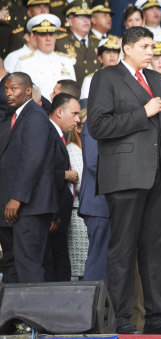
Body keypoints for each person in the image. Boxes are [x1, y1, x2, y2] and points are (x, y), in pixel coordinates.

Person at [87, 26, 161, 335]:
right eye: (146, 46)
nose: (152, 52)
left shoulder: (158, 80)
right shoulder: (105, 78)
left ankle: (158, 318)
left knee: (156, 249)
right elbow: (97, 126)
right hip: (125, 177)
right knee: (123, 249)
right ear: (127, 48)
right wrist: (143, 112)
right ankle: (122, 318)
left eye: (153, 46)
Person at [0, 72, 55, 283]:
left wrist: (17, 198)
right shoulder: (14, 117)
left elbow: (33, 159)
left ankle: (34, 315)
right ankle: (13, 315)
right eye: (6, 89)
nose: (8, 93)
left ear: (28, 90)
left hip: (28, 205)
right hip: (13, 206)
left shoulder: (34, 115)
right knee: (13, 264)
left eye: (14, 89)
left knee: (28, 264)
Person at [45, 92, 81, 282]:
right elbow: (42, 172)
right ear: (59, 112)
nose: (77, 120)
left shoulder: (59, 135)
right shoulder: (48, 133)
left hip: (58, 214)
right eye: (74, 114)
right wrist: (53, 214)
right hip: (52, 213)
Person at [78, 114, 110, 284]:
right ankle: (92, 308)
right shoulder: (94, 122)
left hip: (106, 202)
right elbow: (93, 163)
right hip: (99, 202)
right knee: (99, 260)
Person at [14, 13, 75, 100]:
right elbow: (18, 95)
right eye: (43, 34)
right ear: (34, 37)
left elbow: (73, 90)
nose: (48, 39)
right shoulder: (24, 63)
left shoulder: (66, 61)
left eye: (51, 34)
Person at [55, 0, 101, 85]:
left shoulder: (98, 43)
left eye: (88, 16)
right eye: (80, 17)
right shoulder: (59, 43)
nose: (86, 20)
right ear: (69, 21)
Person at [66, 106, 88, 279]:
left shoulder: (86, 149)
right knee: (79, 271)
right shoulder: (73, 150)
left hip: (84, 214)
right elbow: (81, 183)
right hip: (78, 216)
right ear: (79, 128)